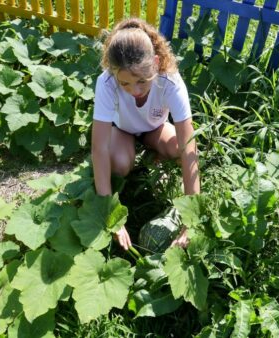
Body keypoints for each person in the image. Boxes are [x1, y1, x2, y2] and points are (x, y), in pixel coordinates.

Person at [92, 17, 200, 250]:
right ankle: (143, 160)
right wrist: (111, 213)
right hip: (122, 130)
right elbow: (98, 148)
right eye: (125, 84)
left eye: (142, 81)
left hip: (155, 128)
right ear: (113, 73)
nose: (135, 91)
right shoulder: (106, 82)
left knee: (176, 150)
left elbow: (188, 146)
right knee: (119, 164)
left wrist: (191, 221)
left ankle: (155, 159)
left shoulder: (171, 81)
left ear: (156, 62)